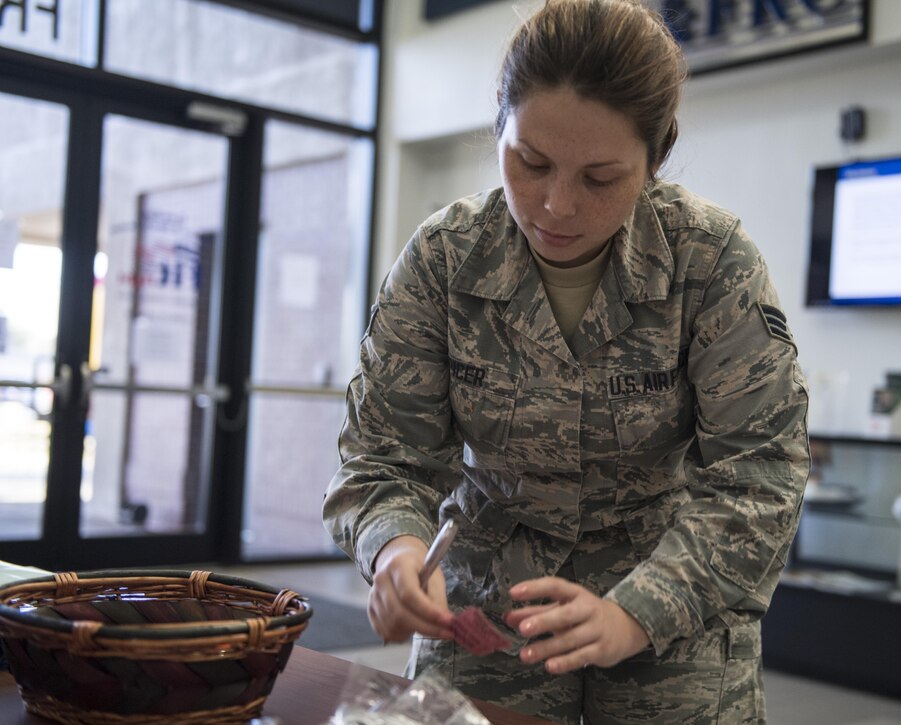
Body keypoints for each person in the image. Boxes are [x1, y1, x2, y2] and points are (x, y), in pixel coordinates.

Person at [322, 1, 810, 722]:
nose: (555, 205)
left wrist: (639, 611)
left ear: (655, 157)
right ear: (500, 128)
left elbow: (759, 474)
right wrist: (398, 552)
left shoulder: (709, 264)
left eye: (601, 177)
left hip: (671, 598)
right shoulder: (444, 261)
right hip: (488, 603)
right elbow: (384, 454)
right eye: (532, 162)